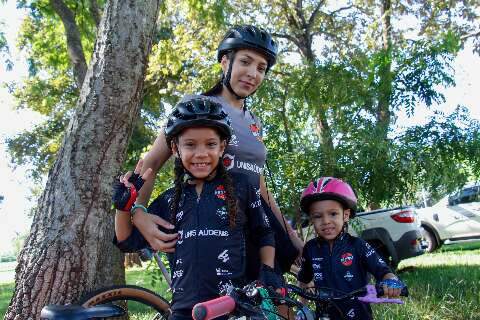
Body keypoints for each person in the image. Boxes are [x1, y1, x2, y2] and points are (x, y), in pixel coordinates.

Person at [128, 25, 302, 275]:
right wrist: (138, 212)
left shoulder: (254, 121)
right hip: (215, 220)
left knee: (275, 303)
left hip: (256, 220)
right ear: (224, 62)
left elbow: (259, 185)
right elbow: (151, 163)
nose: (253, 73)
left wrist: (289, 233)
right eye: (245, 62)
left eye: (261, 68)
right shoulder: (197, 106)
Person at [113, 98, 283, 320]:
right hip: (184, 311)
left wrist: (268, 272)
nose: (201, 153)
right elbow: (126, 240)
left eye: (210, 144)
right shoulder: (168, 200)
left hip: (234, 307)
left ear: (222, 147)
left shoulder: (242, 187)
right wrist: (124, 208)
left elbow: (265, 234)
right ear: (175, 148)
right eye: (190, 145)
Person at [297, 177, 405, 320]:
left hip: (360, 315)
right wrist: (302, 307)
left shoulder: (358, 246)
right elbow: (304, 280)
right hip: (324, 315)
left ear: (346, 215)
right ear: (311, 219)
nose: (326, 221)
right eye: (318, 216)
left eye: (333, 214)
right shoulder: (310, 249)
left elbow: (384, 271)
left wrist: (392, 282)